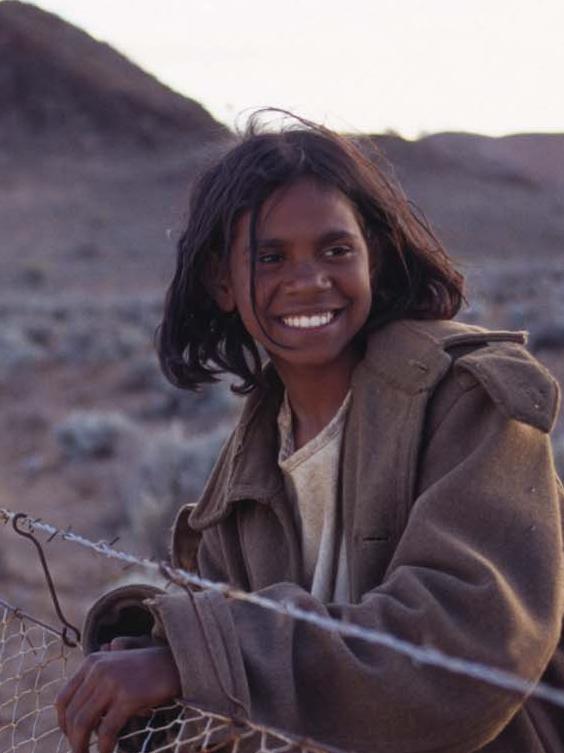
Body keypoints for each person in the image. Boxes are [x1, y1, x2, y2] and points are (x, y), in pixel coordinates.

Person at [56, 112, 564, 753]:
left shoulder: (467, 398)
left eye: (335, 250)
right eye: (270, 257)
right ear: (222, 282)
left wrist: (196, 657)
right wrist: (161, 646)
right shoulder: (246, 472)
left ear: (372, 257)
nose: (308, 280)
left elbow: (467, 644)